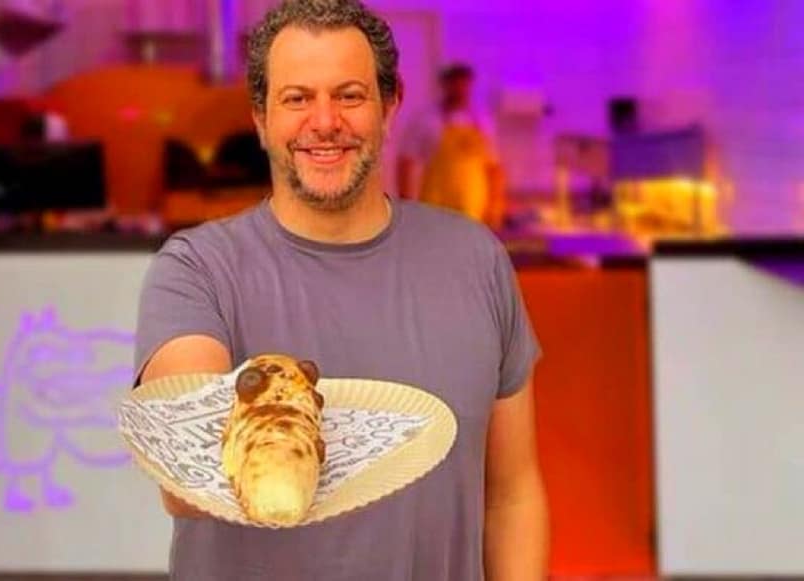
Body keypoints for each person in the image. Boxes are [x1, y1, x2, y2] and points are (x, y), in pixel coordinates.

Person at [134, 1, 548, 579]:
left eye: (349, 95)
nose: (325, 121)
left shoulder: (476, 260)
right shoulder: (198, 269)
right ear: (260, 118)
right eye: (296, 98)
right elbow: (188, 474)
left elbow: (512, 496)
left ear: (390, 105)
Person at [396, 62, 508, 228]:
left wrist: (495, 205)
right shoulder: (427, 119)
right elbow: (406, 161)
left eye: (464, 85)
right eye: (455, 85)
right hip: (436, 200)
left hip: (473, 203)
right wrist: (406, 204)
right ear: (445, 85)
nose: (460, 90)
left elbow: (494, 166)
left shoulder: (482, 121)